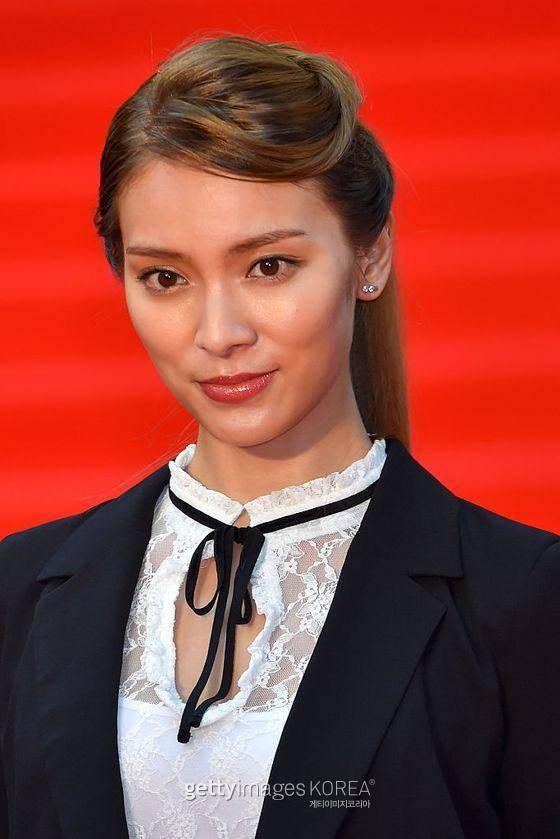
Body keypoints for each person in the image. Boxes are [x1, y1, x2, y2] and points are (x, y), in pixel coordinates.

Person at [1, 32, 559, 839]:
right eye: (166, 277)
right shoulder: (23, 593)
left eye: (268, 265)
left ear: (369, 257)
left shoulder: (519, 600)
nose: (217, 331)